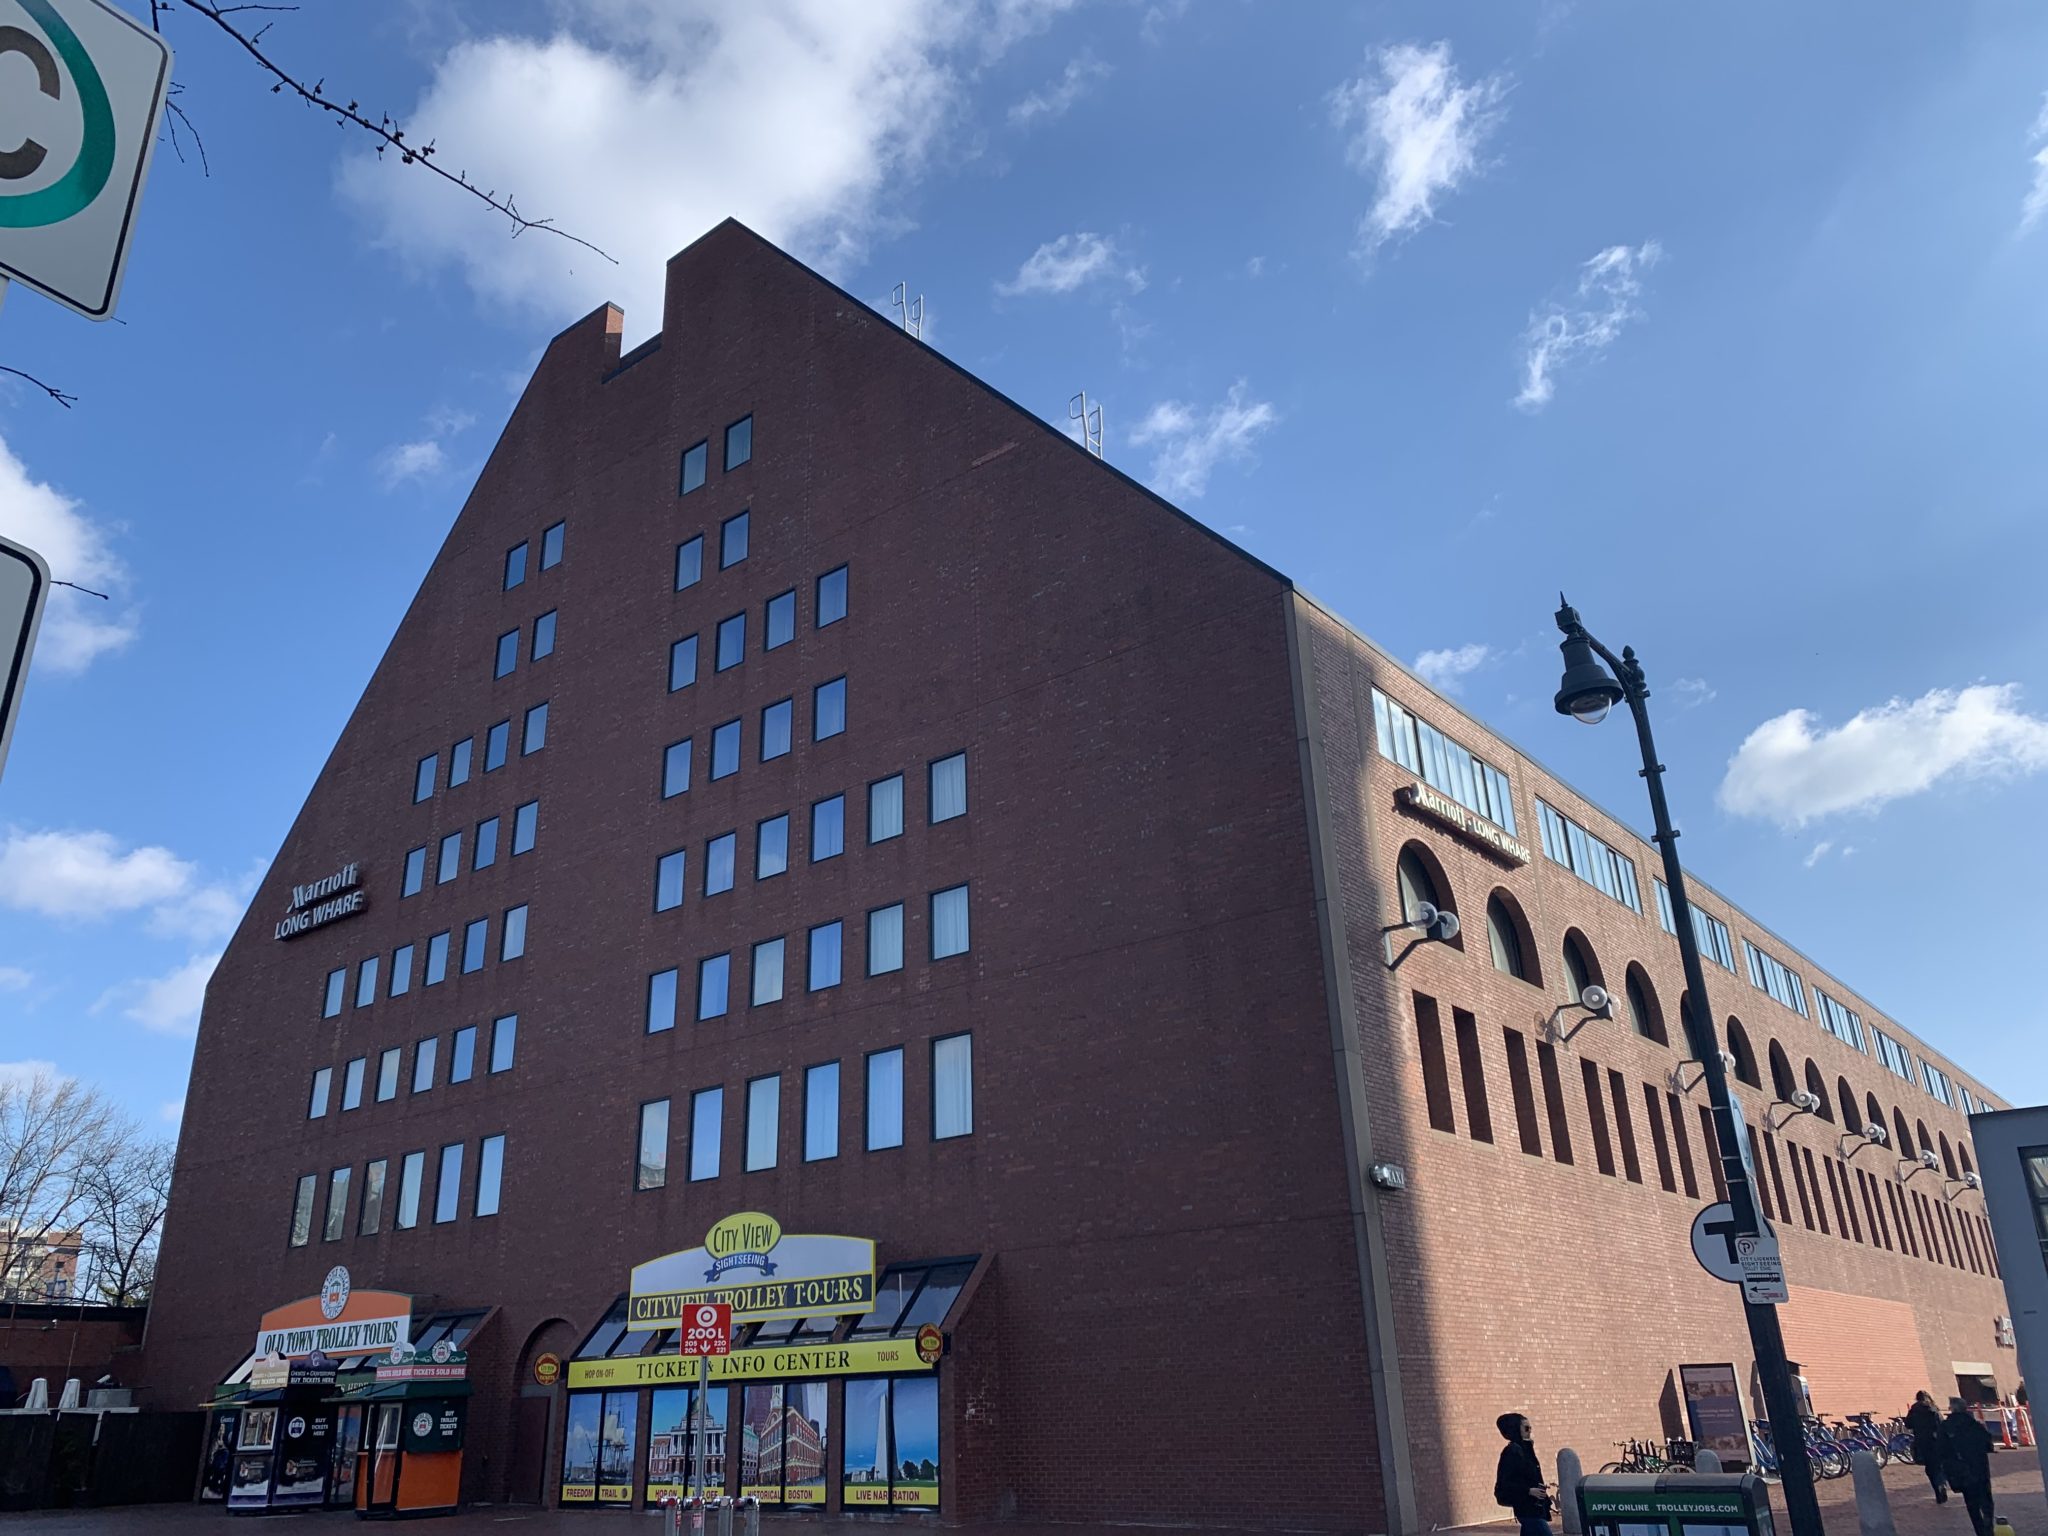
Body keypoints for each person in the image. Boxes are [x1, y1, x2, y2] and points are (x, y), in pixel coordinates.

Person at [1494, 1413, 1555, 1536]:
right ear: (1516, 1429)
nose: (1529, 1431)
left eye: (1530, 1428)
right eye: (1526, 1428)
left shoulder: (1525, 1449)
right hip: (1527, 1508)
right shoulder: (1512, 1451)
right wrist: (1528, 1490)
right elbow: (1504, 1483)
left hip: (1534, 1507)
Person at [1943, 1398, 1996, 1536]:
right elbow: (1987, 1443)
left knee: (1971, 1503)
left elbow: (1941, 1450)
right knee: (1986, 1499)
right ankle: (1988, 1526)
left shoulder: (1946, 1427)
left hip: (1961, 1470)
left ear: (1952, 1409)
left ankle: (1980, 1530)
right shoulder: (1974, 1424)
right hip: (1980, 1467)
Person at [1906, 1392, 1947, 1502]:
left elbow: (1908, 1424)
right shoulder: (1933, 1408)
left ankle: (1937, 1491)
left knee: (1930, 1468)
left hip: (1922, 1442)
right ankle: (1942, 1483)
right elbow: (1941, 1423)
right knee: (1939, 1465)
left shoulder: (1914, 1409)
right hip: (1935, 1441)